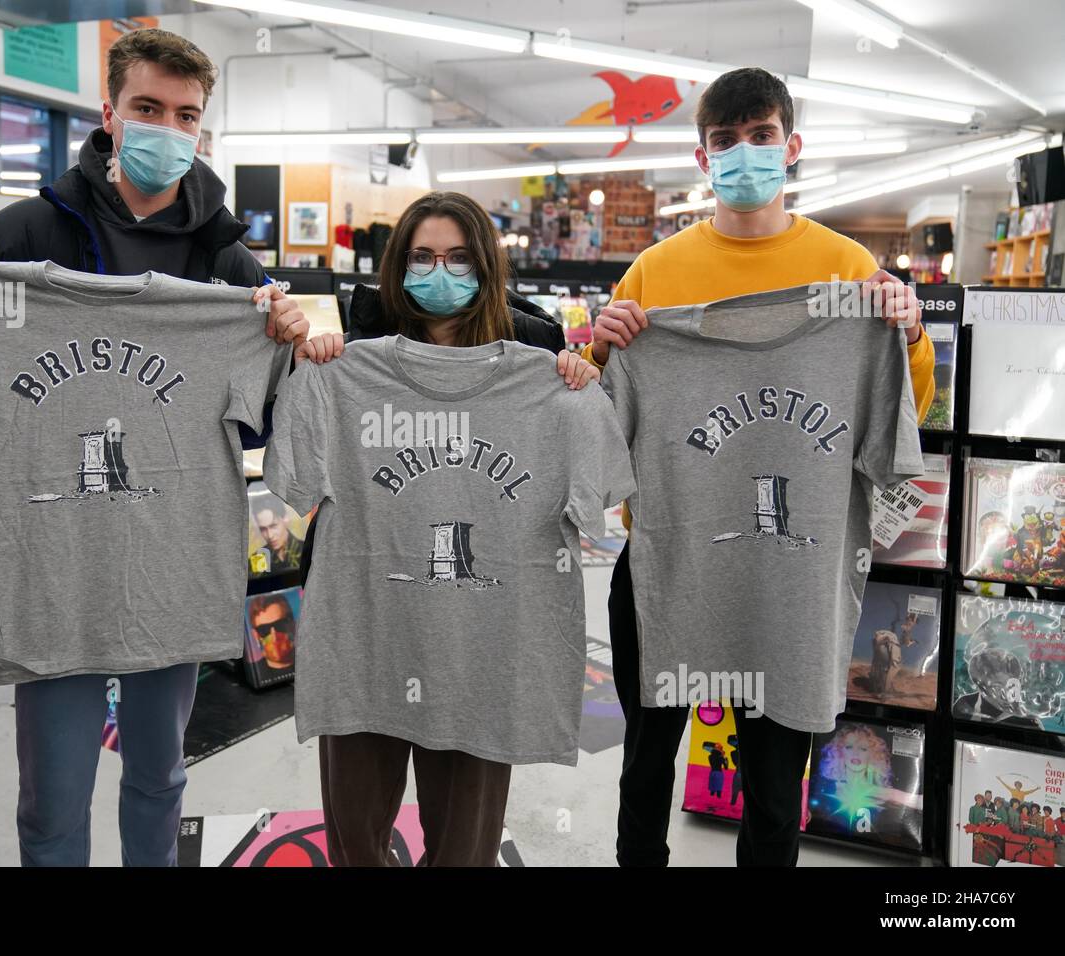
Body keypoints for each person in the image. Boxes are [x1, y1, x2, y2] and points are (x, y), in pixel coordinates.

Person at [0, 28, 309, 867]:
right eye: (148, 108)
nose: (167, 130)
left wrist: (283, 351)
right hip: (49, 569)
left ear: (203, 128)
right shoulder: (17, 237)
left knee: (160, 775)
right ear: (110, 113)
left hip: (169, 570)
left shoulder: (227, 265)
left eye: (186, 116)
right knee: (50, 799)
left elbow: (257, 424)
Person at [586, 67, 937, 867]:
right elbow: (602, 430)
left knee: (776, 793)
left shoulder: (851, 272)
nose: (745, 153)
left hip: (790, 576)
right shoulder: (654, 272)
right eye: (726, 141)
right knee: (645, 768)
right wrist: (602, 348)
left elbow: (899, 426)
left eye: (762, 136)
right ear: (703, 159)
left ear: (792, 145)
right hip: (669, 567)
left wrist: (908, 334)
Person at [292, 190, 599, 866]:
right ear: (397, 265)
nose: (440, 271)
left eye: (459, 258)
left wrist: (579, 385)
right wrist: (313, 367)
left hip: (486, 625)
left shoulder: (537, 350)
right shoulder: (354, 347)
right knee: (354, 829)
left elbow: (591, 491)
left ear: (486, 266)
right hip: (366, 614)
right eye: (423, 256)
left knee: (465, 841)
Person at [252, 498, 304, 574]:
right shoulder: (258, 557)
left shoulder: (307, 549)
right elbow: (258, 584)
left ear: (285, 519)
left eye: (273, 526)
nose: (270, 535)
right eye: (263, 529)